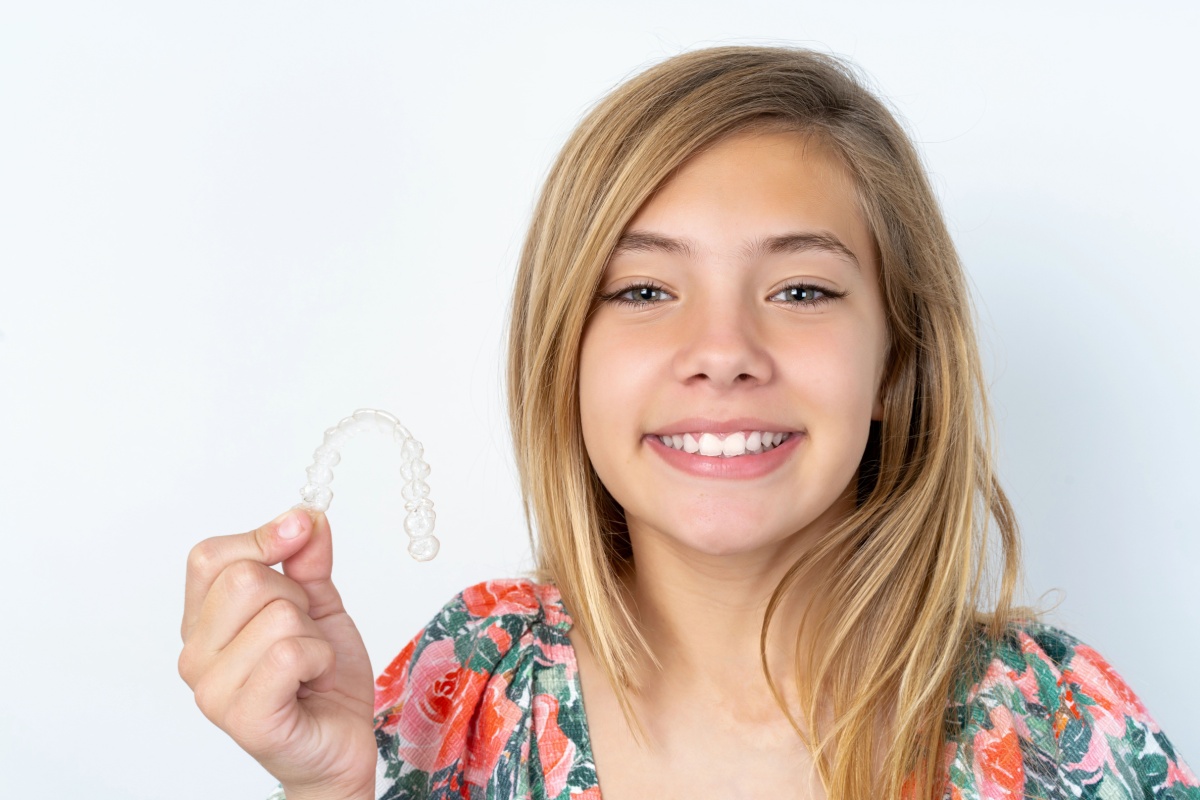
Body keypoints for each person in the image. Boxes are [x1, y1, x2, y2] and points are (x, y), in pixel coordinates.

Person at [178, 46, 1199, 800]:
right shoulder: (471, 688)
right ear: (563, 358)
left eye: (801, 290)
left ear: (901, 362)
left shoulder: (1057, 724)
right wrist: (328, 785)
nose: (723, 348)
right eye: (643, 290)